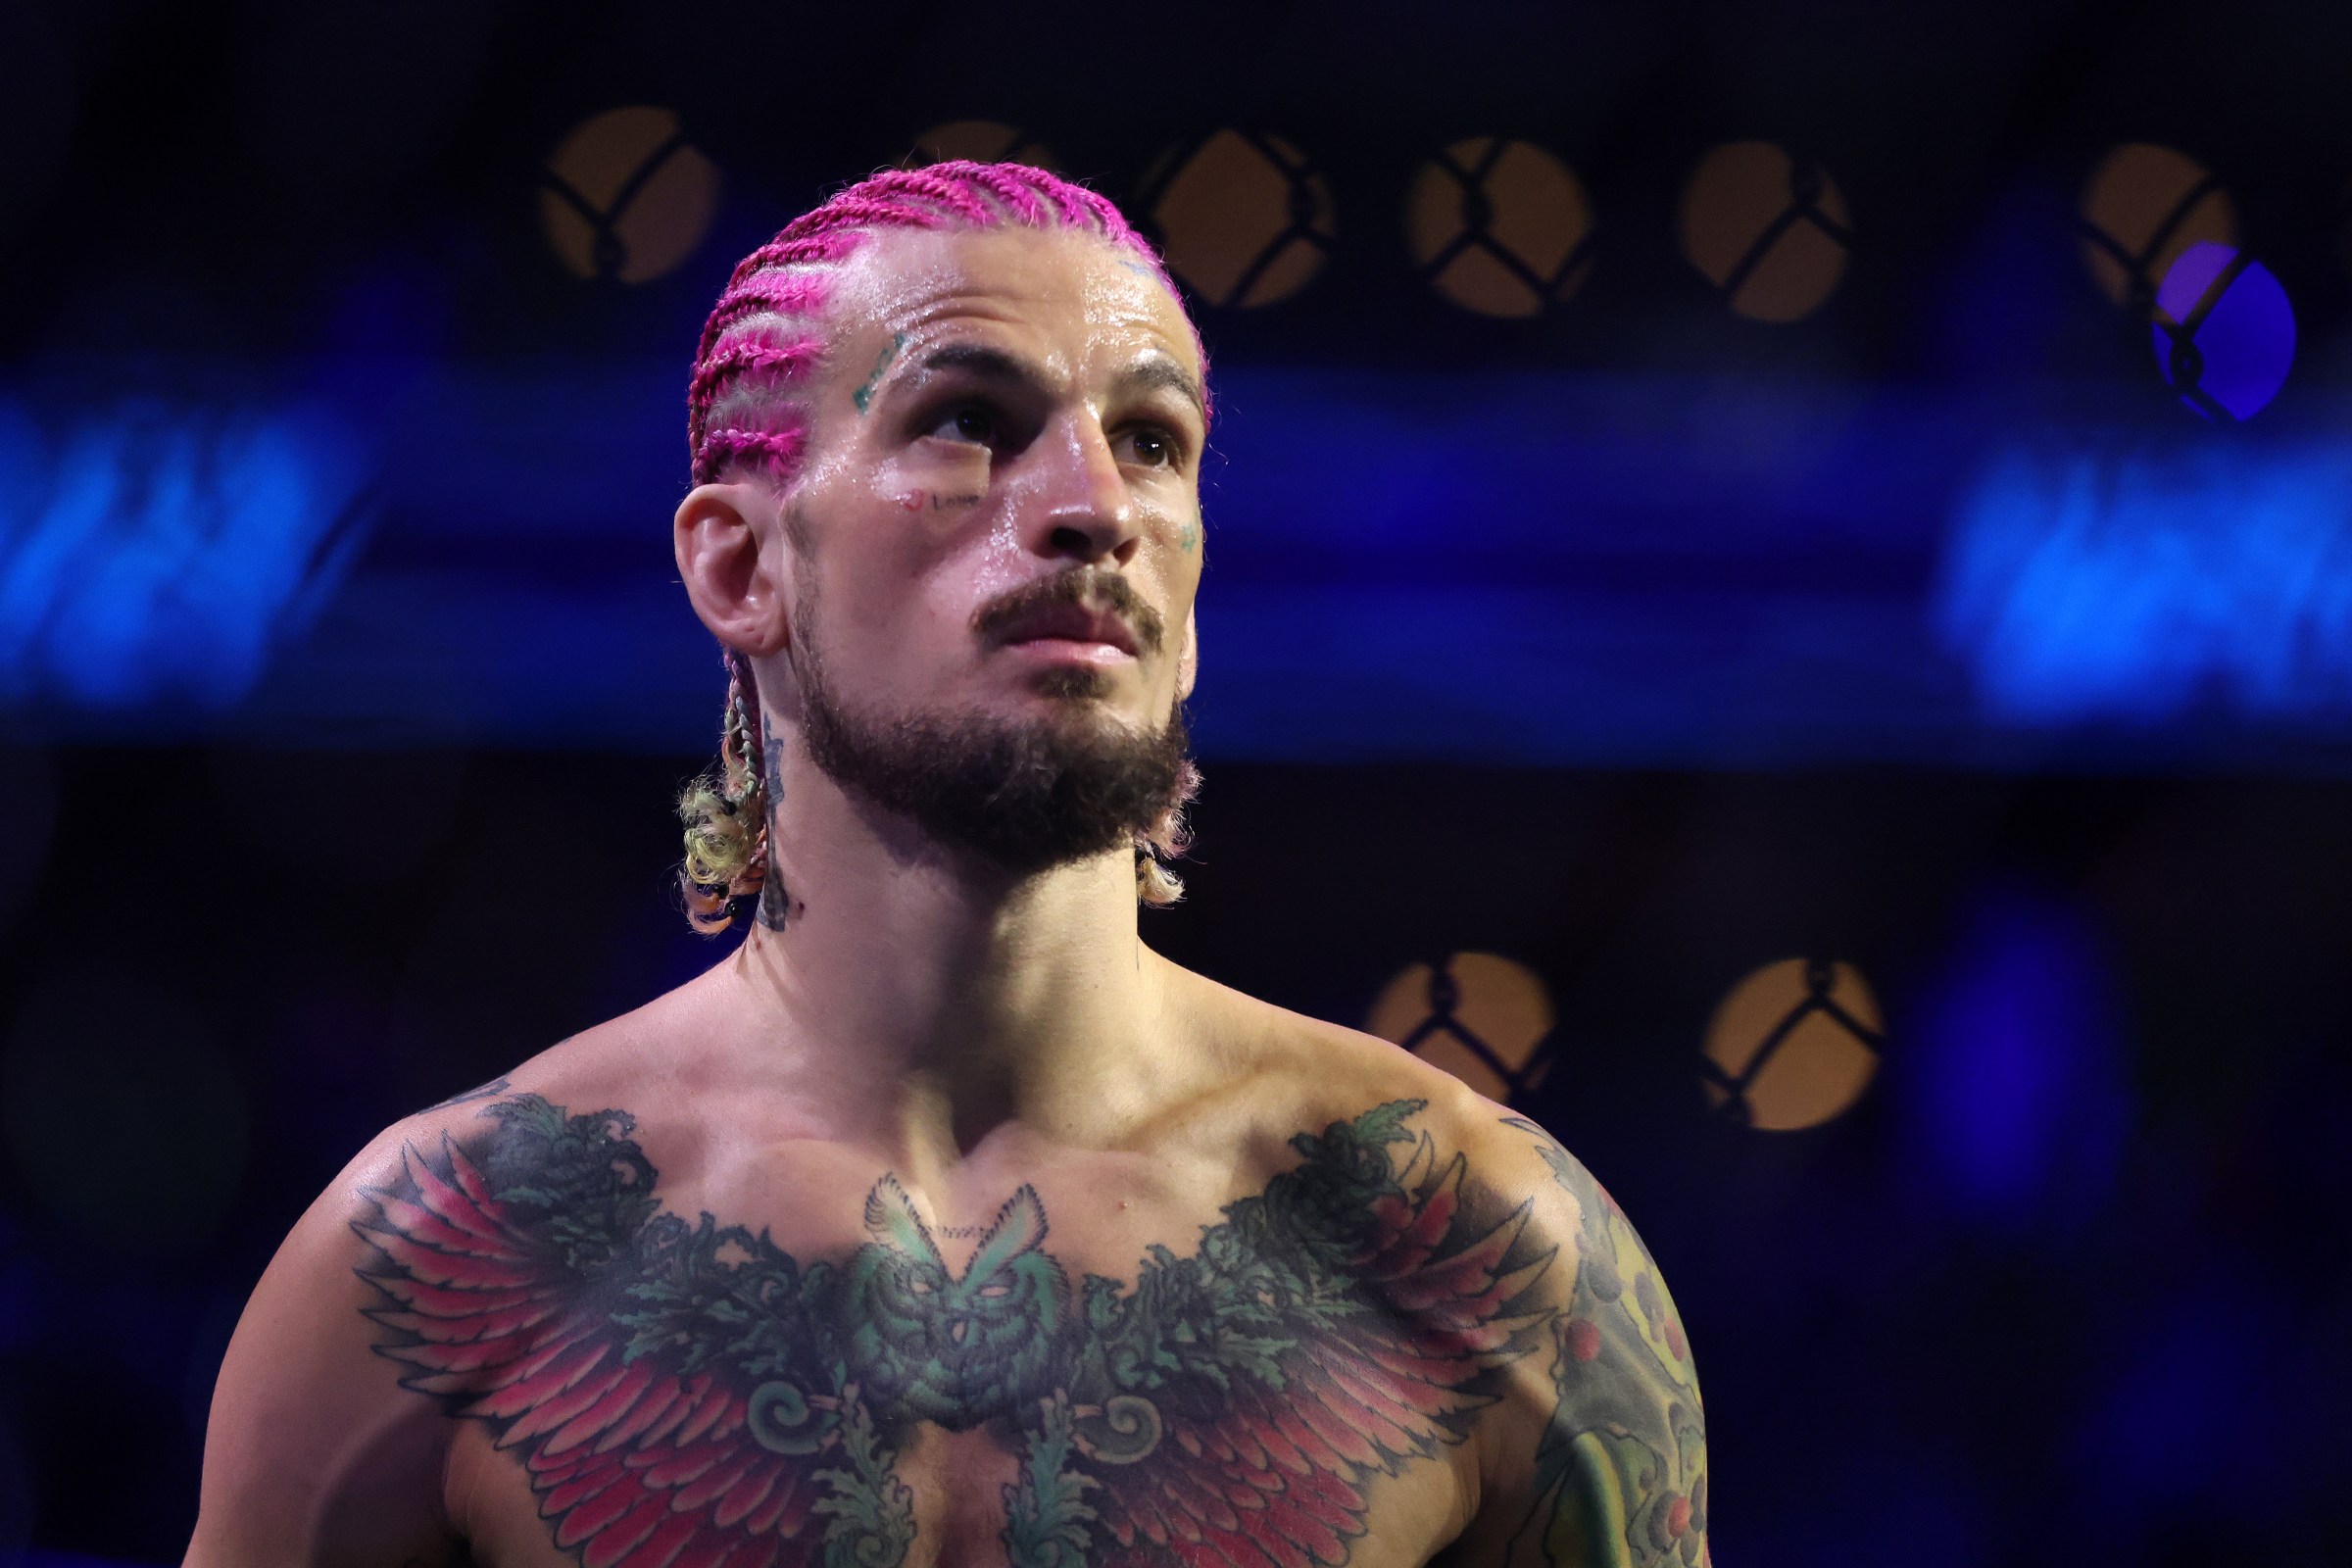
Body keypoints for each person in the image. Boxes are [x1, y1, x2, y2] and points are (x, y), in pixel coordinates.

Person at [186, 162, 1709, 1568]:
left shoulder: (1472, 1239)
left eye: (1154, 441)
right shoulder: (447, 1254)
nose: (1096, 507)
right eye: (968, 419)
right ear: (740, 563)